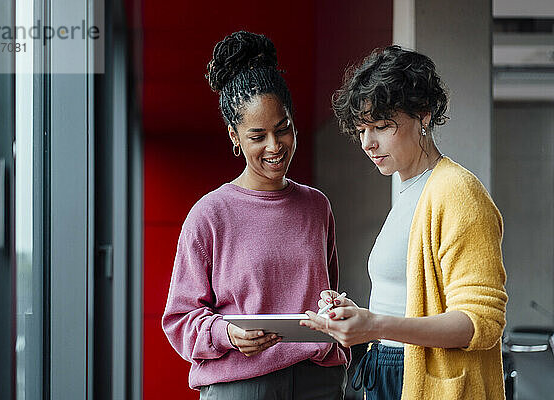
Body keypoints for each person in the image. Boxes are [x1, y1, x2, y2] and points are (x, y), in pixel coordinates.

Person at [300, 45, 508, 400]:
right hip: (386, 365)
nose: (368, 142)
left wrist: (374, 324)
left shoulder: (457, 192)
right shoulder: (408, 193)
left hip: (418, 373)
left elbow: (481, 323)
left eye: (381, 126)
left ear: (423, 116)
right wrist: (356, 315)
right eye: (362, 129)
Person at [162, 31, 349, 400]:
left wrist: (334, 307)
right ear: (234, 136)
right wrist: (227, 333)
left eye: (283, 130)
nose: (274, 146)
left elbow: (326, 292)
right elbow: (180, 320)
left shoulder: (317, 206)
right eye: (257, 136)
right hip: (241, 385)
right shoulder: (209, 215)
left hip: (319, 382)